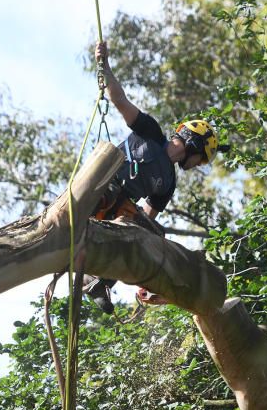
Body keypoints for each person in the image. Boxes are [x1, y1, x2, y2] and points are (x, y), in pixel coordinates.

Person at [84, 41, 225, 313]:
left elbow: (148, 217)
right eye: (200, 158)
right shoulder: (150, 132)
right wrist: (105, 65)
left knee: (152, 232)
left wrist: (146, 245)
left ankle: (99, 282)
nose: (197, 165)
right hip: (102, 186)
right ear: (193, 144)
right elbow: (119, 100)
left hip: (120, 205)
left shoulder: (168, 183)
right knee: (111, 197)